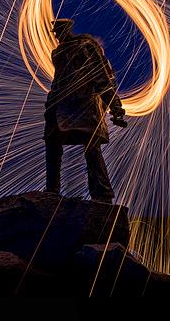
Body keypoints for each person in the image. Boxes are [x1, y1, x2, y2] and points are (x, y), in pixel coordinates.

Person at [43, 18, 127, 204]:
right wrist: (51, 102)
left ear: (69, 29)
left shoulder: (86, 47)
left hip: (83, 105)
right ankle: (51, 191)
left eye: (60, 30)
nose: (57, 35)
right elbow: (59, 78)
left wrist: (114, 106)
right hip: (60, 104)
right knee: (53, 144)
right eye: (55, 32)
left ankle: (102, 195)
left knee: (91, 149)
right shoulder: (57, 53)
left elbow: (100, 76)